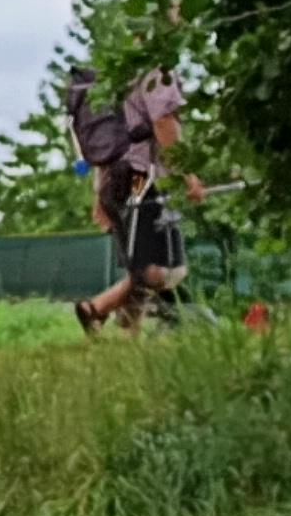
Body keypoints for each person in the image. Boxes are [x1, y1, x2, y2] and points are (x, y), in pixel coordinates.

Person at [67, 63, 200, 332]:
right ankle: (96, 308)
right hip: (140, 178)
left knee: (138, 263)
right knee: (159, 269)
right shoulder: (157, 72)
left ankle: (124, 335)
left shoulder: (126, 71)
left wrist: (99, 194)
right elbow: (163, 123)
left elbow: (112, 142)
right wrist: (187, 175)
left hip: (116, 180)